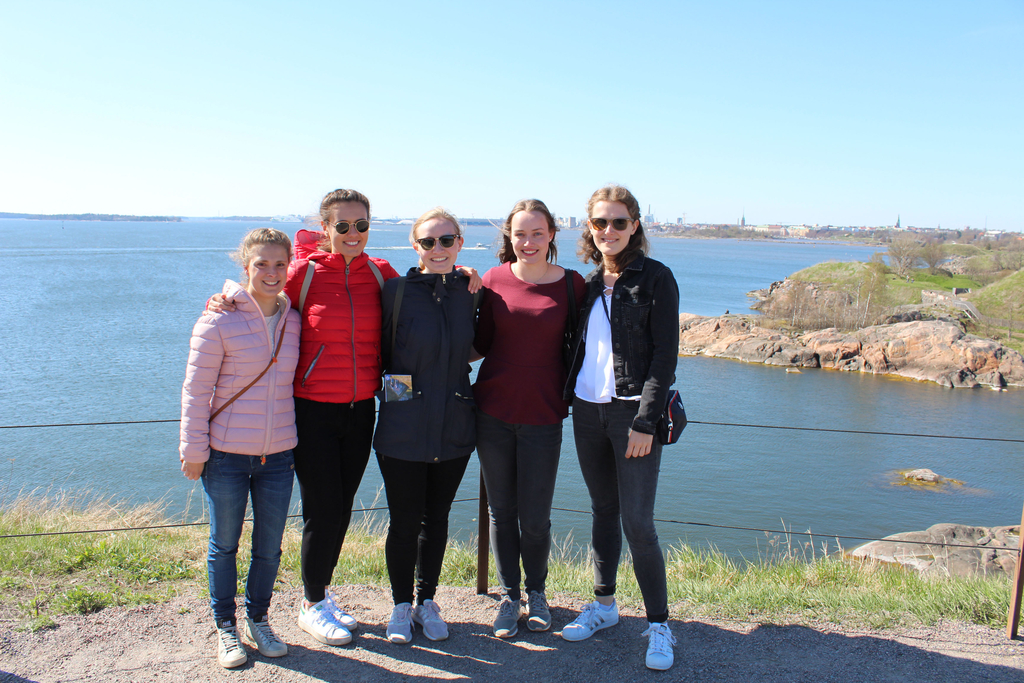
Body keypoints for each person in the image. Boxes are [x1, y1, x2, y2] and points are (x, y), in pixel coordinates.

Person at [206, 190, 480, 647]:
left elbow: (424, 288)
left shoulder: (380, 273)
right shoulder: (304, 273)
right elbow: (262, 294)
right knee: (323, 508)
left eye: (362, 226)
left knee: (343, 508)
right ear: (327, 229)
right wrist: (226, 298)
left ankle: (322, 595)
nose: (353, 234)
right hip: (312, 409)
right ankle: (312, 603)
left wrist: (465, 276)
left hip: (361, 409)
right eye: (343, 226)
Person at [560, 185, 680, 671]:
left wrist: (646, 422)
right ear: (589, 228)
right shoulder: (587, 285)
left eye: (619, 222)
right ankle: (605, 606)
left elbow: (664, 358)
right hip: (588, 413)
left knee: (639, 523)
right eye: (600, 223)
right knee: (602, 511)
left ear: (635, 226)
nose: (608, 231)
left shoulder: (655, 280)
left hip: (632, 415)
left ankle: (659, 626)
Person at [180, 228, 301, 669]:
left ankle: (259, 618)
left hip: (279, 455)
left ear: (290, 266)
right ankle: (225, 627)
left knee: (270, 547)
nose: (271, 273)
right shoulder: (218, 319)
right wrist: (193, 450)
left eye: (279, 264)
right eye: (261, 264)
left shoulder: (294, 319)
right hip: (226, 455)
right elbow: (195, 392)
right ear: (244, 267)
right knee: (224, 544)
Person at [472, 199, 585, 637]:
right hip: (493, 412)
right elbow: (478, 343)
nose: (528, 241)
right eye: (520, 234)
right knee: (501, 511)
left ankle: (537, 594)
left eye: (537, 233)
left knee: (535, 516)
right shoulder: (493, 280)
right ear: (509, 237)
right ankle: (508, 596)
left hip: (544, 415)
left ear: (553, 235)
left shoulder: (574, 286)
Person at [374, 207, 479, 645]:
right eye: (428, 242)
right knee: (403, 522)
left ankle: (427, 601)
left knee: (436, 520)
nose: (438, 249)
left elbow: (481, 347)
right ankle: (401, 606)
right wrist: (405, 399)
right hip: (402, 428)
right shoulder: (395, 291)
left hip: (455, 426)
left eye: (447, 240)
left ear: (459, 243)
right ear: (415, 246)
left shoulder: (474, 292)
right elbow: (379, 354)